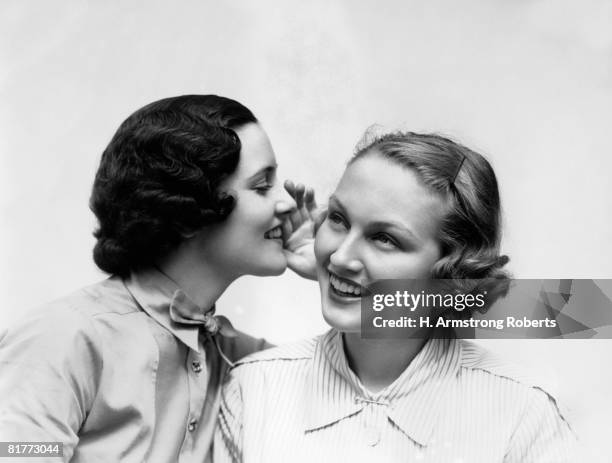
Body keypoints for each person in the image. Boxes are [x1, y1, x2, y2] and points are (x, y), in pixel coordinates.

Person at [214, 131, 576, 462]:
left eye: (384, 239)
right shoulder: (254, 389)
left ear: (452, 271)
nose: (340, 256)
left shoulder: (522, 413)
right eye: (338, 219)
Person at [0, 95, 318, 462]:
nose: (289, 203)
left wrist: (337, 267)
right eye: (262, 186)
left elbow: (393, 353)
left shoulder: (241, 360)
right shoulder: (65, 336)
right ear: (186, 212)